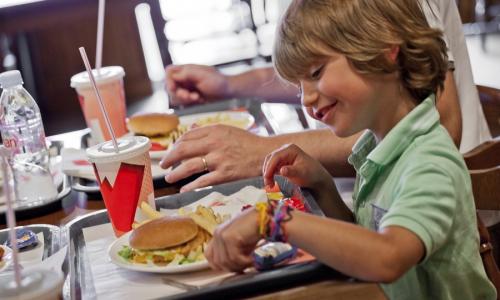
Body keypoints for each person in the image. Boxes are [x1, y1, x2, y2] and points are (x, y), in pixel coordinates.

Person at [203, 0, 496, 298]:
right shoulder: (377, 145)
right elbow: (364, 244)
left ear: (385, 48)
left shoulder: (429, 161)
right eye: (300, 85)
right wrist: (322, 185)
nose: (305, 99)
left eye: (316, 73)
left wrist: (271, 219)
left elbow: (388, 257)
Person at [162, 0, 492, 193]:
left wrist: (263, 152)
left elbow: (443, 122)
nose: (306, 99)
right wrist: (231, 83)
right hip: (366, 194)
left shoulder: (425, 161)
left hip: (444, 203)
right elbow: (329, 68)